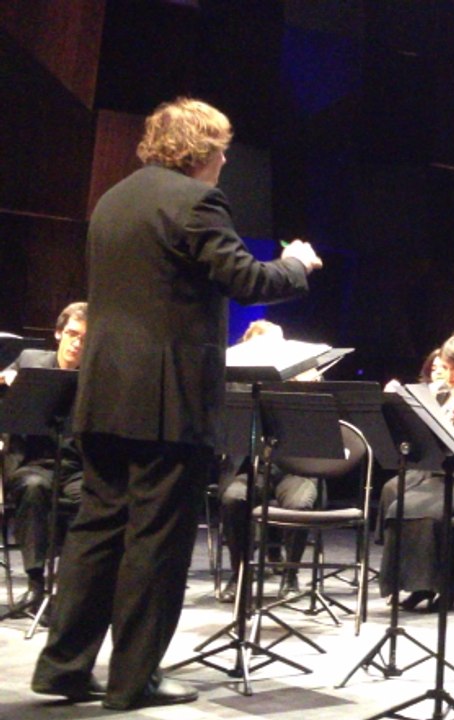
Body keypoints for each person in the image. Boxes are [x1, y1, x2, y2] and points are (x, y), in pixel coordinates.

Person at [31, 97, 321, 710]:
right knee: (156, 542)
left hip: (104, 395)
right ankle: (134, 680)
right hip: (166, 404)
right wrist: (295, 263)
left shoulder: (114, 199)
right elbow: (248, 280)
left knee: (96, 532)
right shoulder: (195, 201)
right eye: (220, 151)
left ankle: (63, 668)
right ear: (198, 152)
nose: (223, 163)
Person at [379, 333, 454, 612]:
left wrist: (442, 420)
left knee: (427, 512)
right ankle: (418, 584)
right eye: (446, 366)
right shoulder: (441, 392)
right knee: (398, 502)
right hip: (440, 474)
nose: (451, 374)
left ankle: (446, 583)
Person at [215, 320, 321, 602]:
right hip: (253, 467)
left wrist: (308, 392)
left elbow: (323, 429)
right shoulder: (234, 381)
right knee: (233, 499)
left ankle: (291, 574)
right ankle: (240, 575)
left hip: (296, 468)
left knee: (300, 504)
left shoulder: (304, 376)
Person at [1, 302, 87, 616]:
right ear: (58, 334)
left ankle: (67, 584)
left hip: (75, 467)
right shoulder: (32, 360)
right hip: (33, 465)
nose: (77, 343)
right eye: (72, 334)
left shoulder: (94, 378)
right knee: (35, 488)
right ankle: (37, 585)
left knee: (96, 498)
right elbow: (7, 379)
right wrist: (7, 380)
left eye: (84, 338)